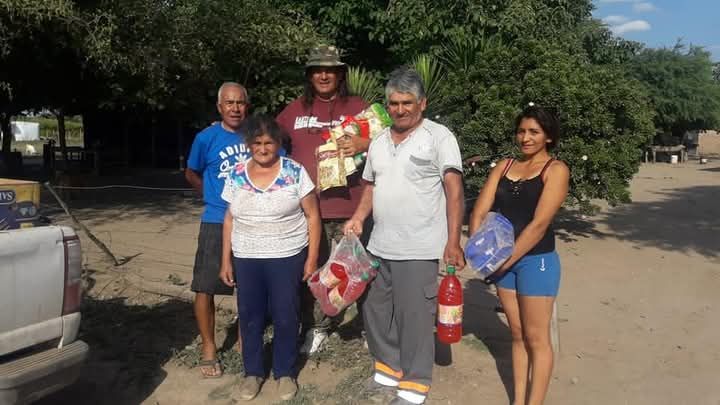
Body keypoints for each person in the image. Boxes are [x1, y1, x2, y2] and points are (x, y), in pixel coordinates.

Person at [343, 67, 466, 405]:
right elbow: (370, 185)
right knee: (375, 310)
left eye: (406, 102)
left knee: (414, 319)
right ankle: (388, 370)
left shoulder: (440, 137)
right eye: (393, 103)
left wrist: (453, 241)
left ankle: (414, 386)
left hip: (420, 246)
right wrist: (357, 217)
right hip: (380, 244)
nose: (399, 109)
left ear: (422, 103)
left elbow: (454, 191)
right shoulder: (380, 141)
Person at [468, 104, 570, 405]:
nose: (525, 137)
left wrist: (502, 262)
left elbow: (538, 226)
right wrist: (478, 250)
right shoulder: (504, 166)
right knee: (517, 334)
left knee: (537, 339)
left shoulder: (556, 170)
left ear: (548, 136)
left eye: (534, 132)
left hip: (536, 261)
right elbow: (480, 210)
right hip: (502, 264)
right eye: (521, 131)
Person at [219, 116, 321, 401]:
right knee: (250, 316)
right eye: (257, 143)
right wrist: (225, 261)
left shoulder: (294, 172)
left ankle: (284, 372)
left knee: (286, 315)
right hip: (246, 256)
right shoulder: (237, 173)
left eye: (269, 143)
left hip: (286, 256)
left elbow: (313, 217)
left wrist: (311, 259)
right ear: (249, 145)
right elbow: (228, 219)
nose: (263, 148)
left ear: (278, 144)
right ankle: (252, 373)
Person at [276, 44, 369, 354]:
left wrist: (364, 141)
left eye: (330, 69)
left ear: (341, 73)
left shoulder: (359, 107)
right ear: (309, 75)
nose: (324, 74)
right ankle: (317, 327)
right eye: (317, 69)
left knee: (359, 271)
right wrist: (231, 133)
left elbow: (388, 143)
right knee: (314, 273)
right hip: (308, 212)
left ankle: (370, 327)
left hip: (354, 209)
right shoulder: (293, 111)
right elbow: (266, 142)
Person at [185, 82, 250, 378]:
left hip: (252, 221)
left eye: (240, 103)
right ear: (220, 107)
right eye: (229, 103)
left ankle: (243, 340)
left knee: (248, 284)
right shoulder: (205, 138)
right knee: (205, 285)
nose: (235, 108)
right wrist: (210, 195)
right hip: (215, 220)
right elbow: (191, 171)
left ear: (247, 106)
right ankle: (209, 347)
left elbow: (279, 157)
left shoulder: (257, 134)